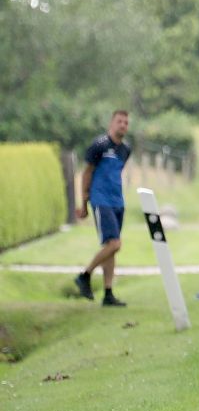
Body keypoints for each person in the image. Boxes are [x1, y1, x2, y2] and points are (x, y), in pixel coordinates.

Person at [74, 110, 131, 307]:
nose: (123, 125)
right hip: (100, 199)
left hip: (118, 202)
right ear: (111, 123)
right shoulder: (99, 145)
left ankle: (108, 293)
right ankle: (85, 275)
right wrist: (84, 202)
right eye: (119, 121)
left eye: (126, 122)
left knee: (110, 249)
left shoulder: (126, 150)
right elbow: (87, 173)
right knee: (115, 244)